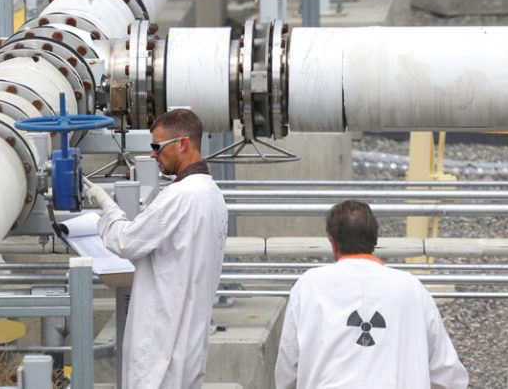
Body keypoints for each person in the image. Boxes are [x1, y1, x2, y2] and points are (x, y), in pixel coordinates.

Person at [83, 108, 228, 389]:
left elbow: (125, 241)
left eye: (157, 147)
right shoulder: (212, 195)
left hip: (160, 346)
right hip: (188, 343)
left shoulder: (180, 196)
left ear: (182, 144)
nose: (152, 155)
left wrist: (107, 206)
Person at [275, 200, 469, 389]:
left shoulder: (309, 286)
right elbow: (447, 373)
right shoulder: (412, 289)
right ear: (374, 240)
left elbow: (288, 367)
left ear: (333, 242)